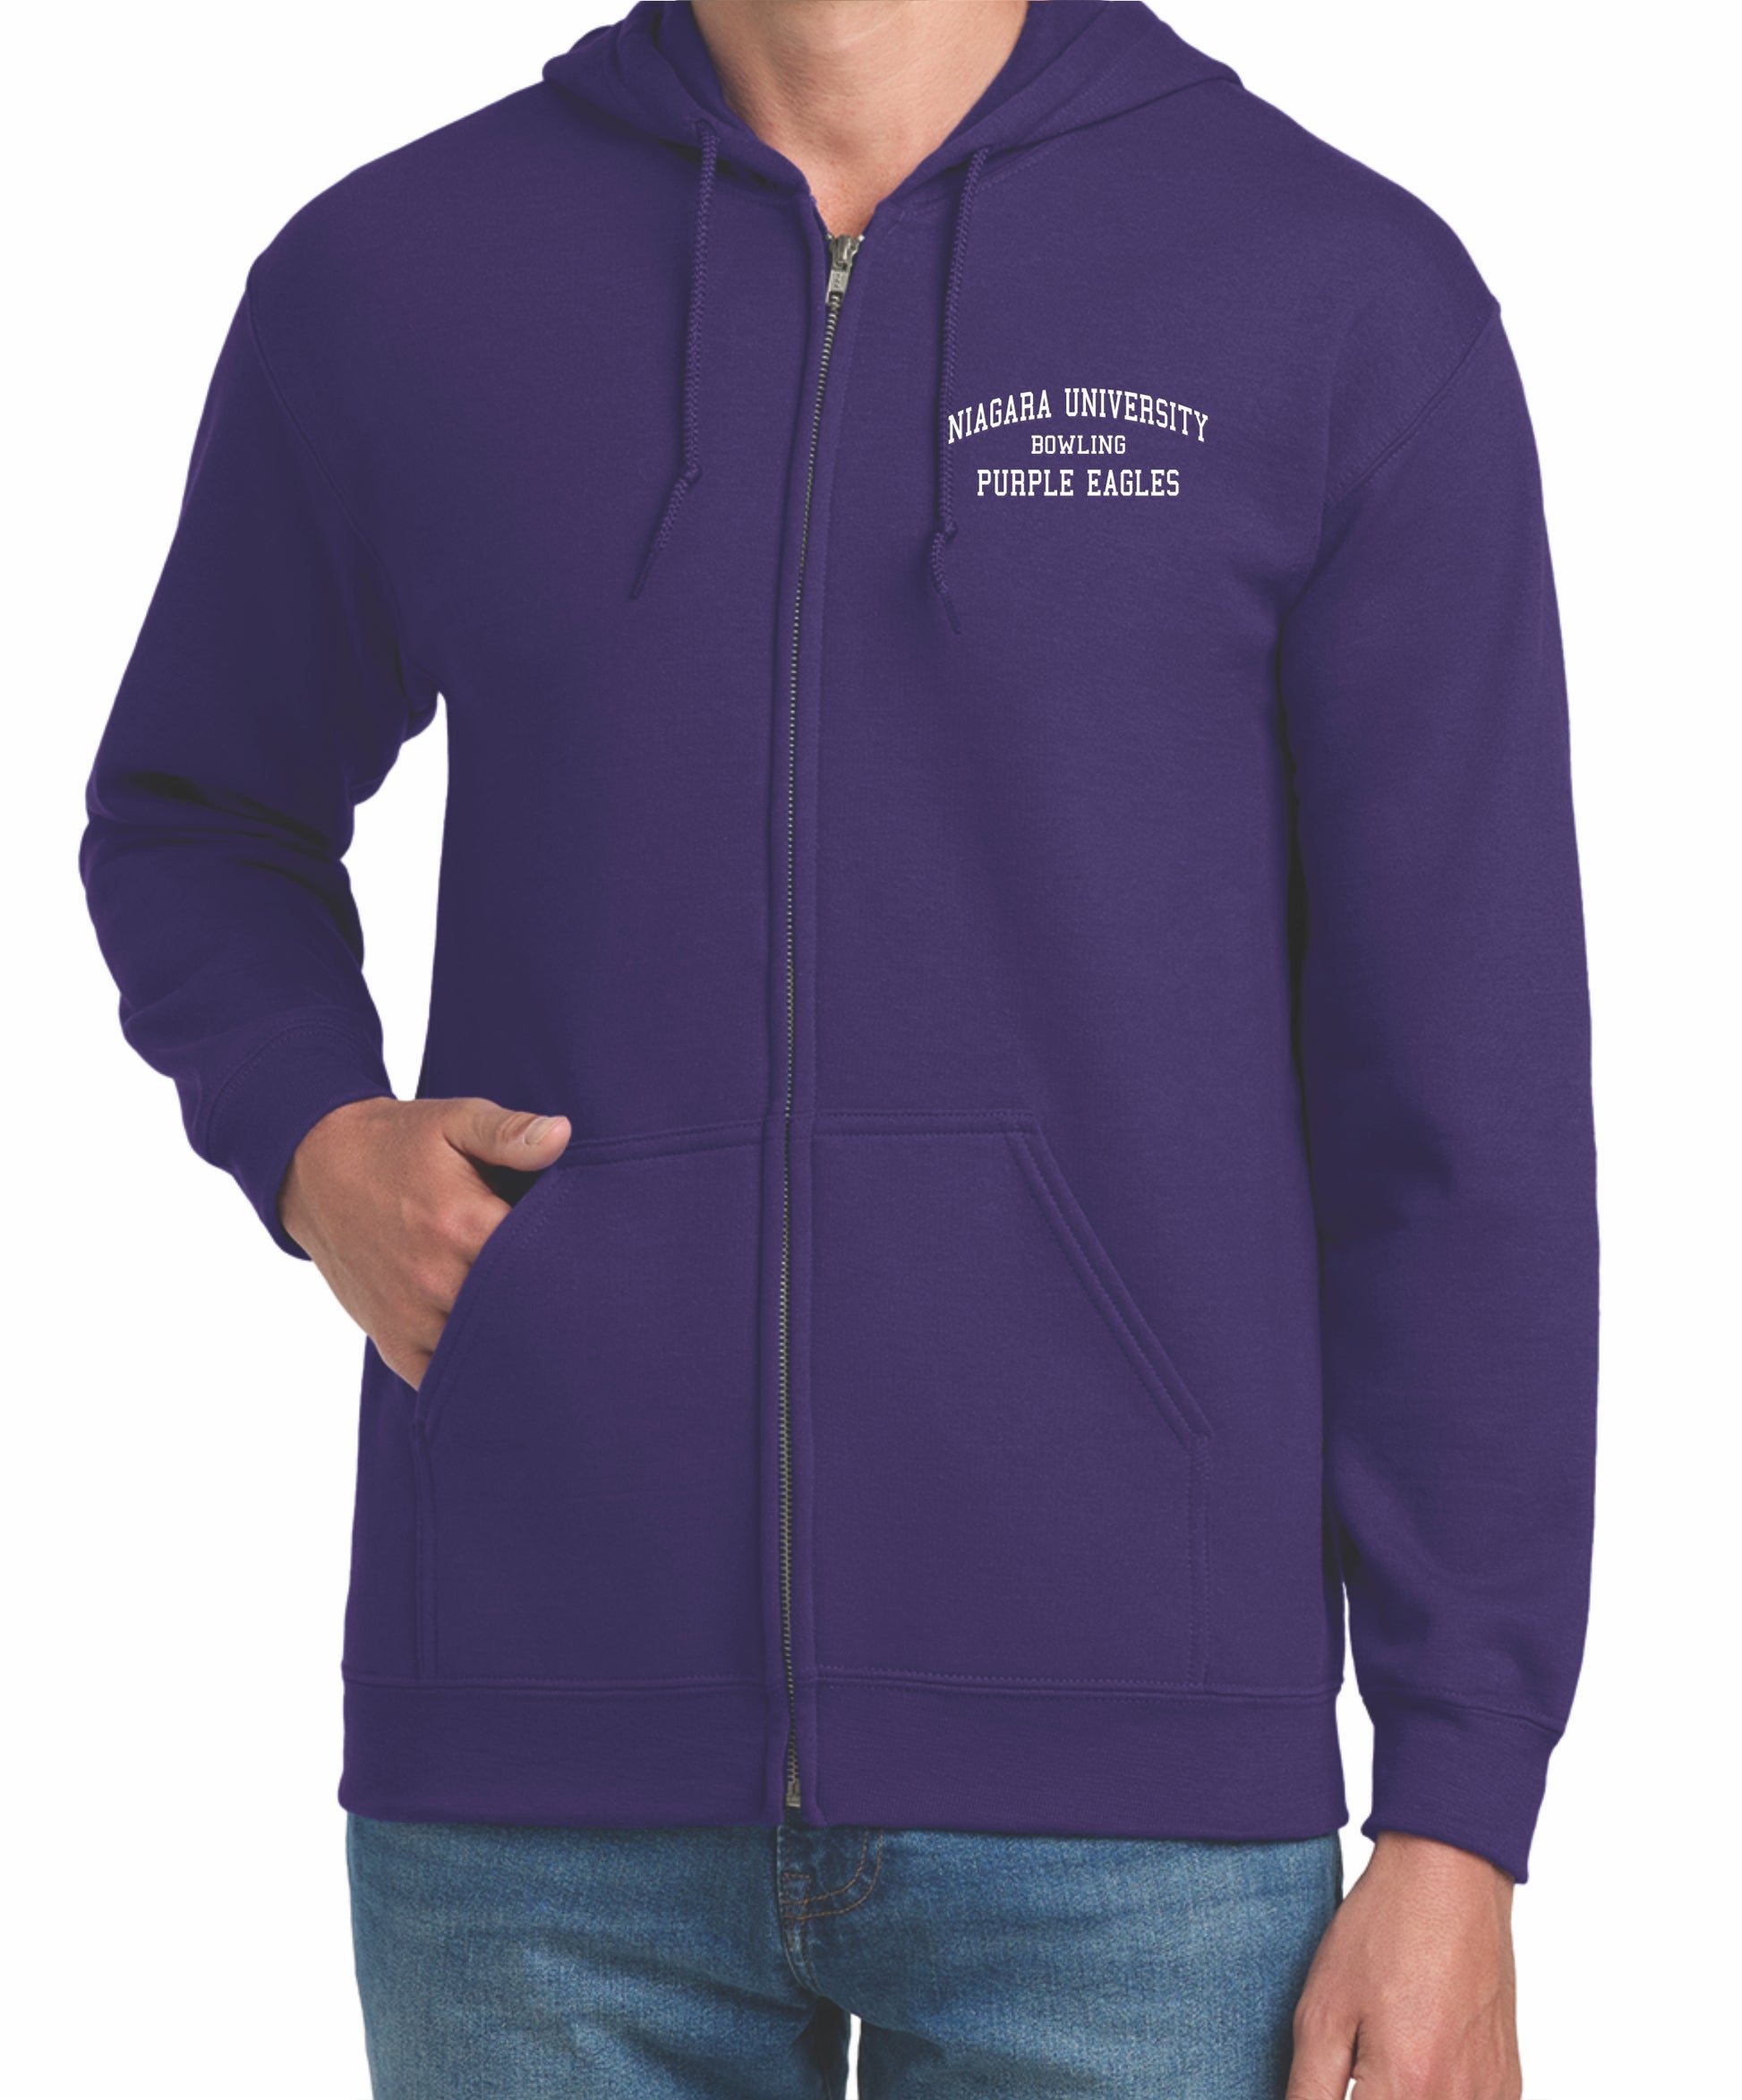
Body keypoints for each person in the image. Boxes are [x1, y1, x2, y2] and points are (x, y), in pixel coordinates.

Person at [80, 1, 1597, 2093]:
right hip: (534, 1780)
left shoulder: (1328, 293)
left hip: (1135, 1822)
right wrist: (310, 1133)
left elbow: (1462, 1094)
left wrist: (1459, 1808)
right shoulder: (400, 275)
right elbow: (195, 810)